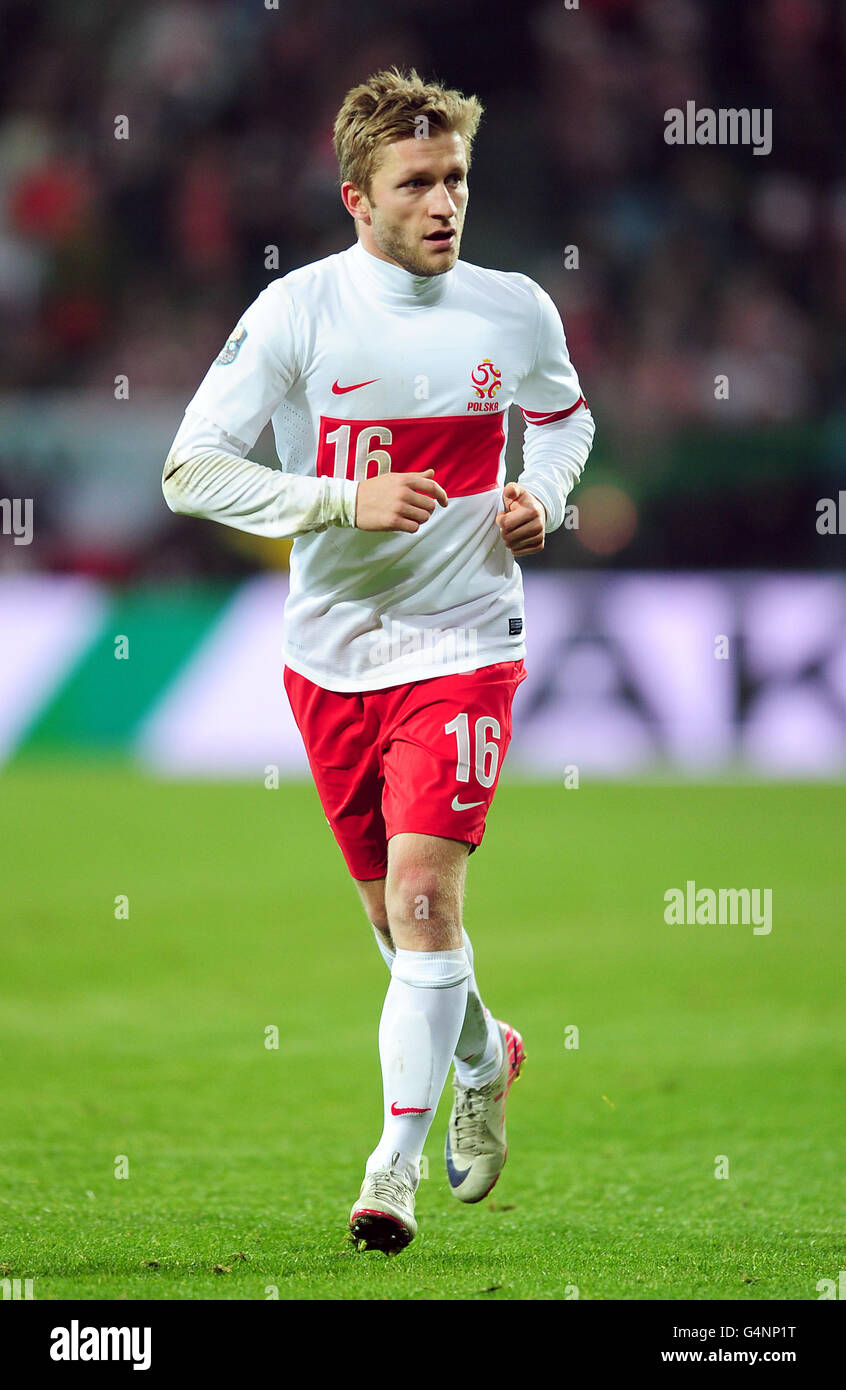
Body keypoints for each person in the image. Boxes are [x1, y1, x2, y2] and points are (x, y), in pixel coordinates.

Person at [162, 67, 594, 1254]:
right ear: (358, 197)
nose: (444, 201)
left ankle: (390, 1167)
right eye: (417, 183)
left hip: (466, 641)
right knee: (400, 929)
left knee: (426, 896)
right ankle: (485, 1051)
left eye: (455, 177)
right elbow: (190, 469)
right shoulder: (300, 314)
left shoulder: (514, 309)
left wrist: (544, 497)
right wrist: (341, 497)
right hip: (331, 656)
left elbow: (566, 417)